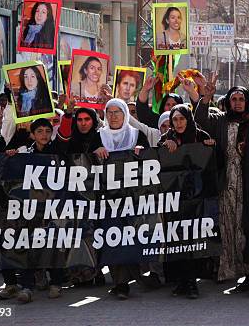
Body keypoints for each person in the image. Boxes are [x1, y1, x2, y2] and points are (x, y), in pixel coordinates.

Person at [194, 77, 249, 297]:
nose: (237, 103)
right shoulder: (221, 121)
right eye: (233, 99)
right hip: (226, 183)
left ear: (247, 102)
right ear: (227, 101)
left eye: (241, 99)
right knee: (230, 228)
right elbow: (200, 120)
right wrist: (206, 96)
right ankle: (242, 275)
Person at [90, 98, 158, 299]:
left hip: (135, 199)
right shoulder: (98, 136)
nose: (113, 116)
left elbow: (151, 161)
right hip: (109, 200)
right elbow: (85, 164)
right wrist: (95, 152)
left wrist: (142, 153)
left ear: (125, 114)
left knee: (133, 235)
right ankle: (121, 283)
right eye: (109, 112)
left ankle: (136, 276)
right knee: (113, 236)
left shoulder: (137, 135)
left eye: (117, 111)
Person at [0, 118, 65, 303]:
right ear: (32, 134)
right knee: (30, 245)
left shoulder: (59, 152)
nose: (44, 135)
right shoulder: (25, 154)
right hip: (32, 209)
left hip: (54, 207)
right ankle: (27, 286)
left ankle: (56, 283)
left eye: (47, 131)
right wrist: (11, 157)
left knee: (54, 245)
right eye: (39, 131)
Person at [159, 104, 215, 299]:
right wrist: (165, 147)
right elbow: (157, 161)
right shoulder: (167, 138)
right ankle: (180, 281)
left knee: (193, 239)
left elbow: (213, 163)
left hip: (197, 198)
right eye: (175, 120)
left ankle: (191, 282)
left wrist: (210, 147)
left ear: (188, 119)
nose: (179, 123)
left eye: (182, 118)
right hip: (174, 198)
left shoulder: (200, 136)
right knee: (177, 239)